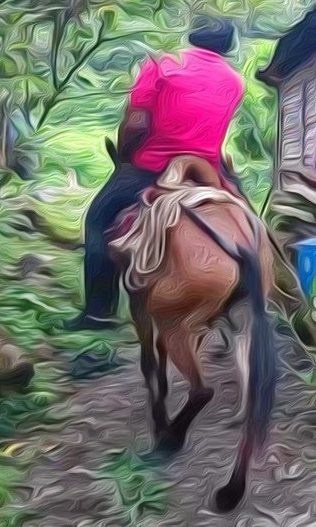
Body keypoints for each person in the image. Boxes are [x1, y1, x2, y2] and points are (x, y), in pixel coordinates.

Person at [67, 17, 245, 331]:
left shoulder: (163, 65)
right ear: (227, 46)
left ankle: (98, 313)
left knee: (97, 220)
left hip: (152, 168)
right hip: (207, 172)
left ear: (194, 36)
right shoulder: (234, 81)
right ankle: (245, 297)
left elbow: (136, 123)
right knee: (246, 222)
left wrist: (127, 157)